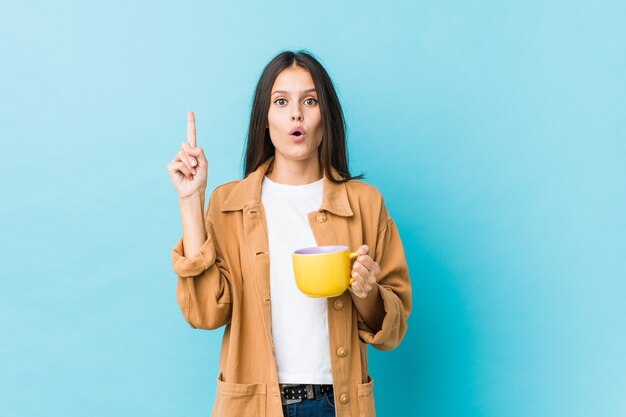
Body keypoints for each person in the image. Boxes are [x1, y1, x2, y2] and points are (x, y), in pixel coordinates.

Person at [166, 50, 412, 417]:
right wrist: (190, 201)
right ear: (264, 120)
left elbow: (392, 330)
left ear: (325, 117)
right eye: (281, 101)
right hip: (253, 405)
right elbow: (204, 314)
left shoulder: (365, 203)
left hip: (337, 403)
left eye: (309, 101)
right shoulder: (227, 204)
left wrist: (367, 292)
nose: (296, 113)